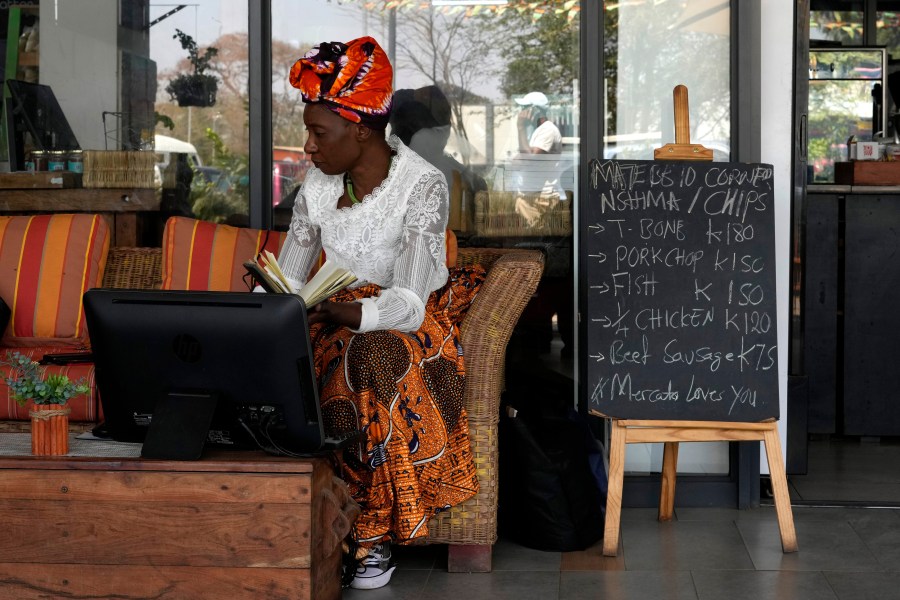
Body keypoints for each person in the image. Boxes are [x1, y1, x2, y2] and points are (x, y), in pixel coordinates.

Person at [279, 36, 483, 590]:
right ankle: (283, 521)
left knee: (370, 359)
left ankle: (368, 540)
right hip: (327, 315)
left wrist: (343, 313)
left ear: (361, 130)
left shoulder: (422, 185)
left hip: (403, 322)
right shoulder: (316, 187)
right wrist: (268, 302)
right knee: (275, 360)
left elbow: (411, 302)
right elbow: (292, 273)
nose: (309, 147)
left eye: (319, 133)